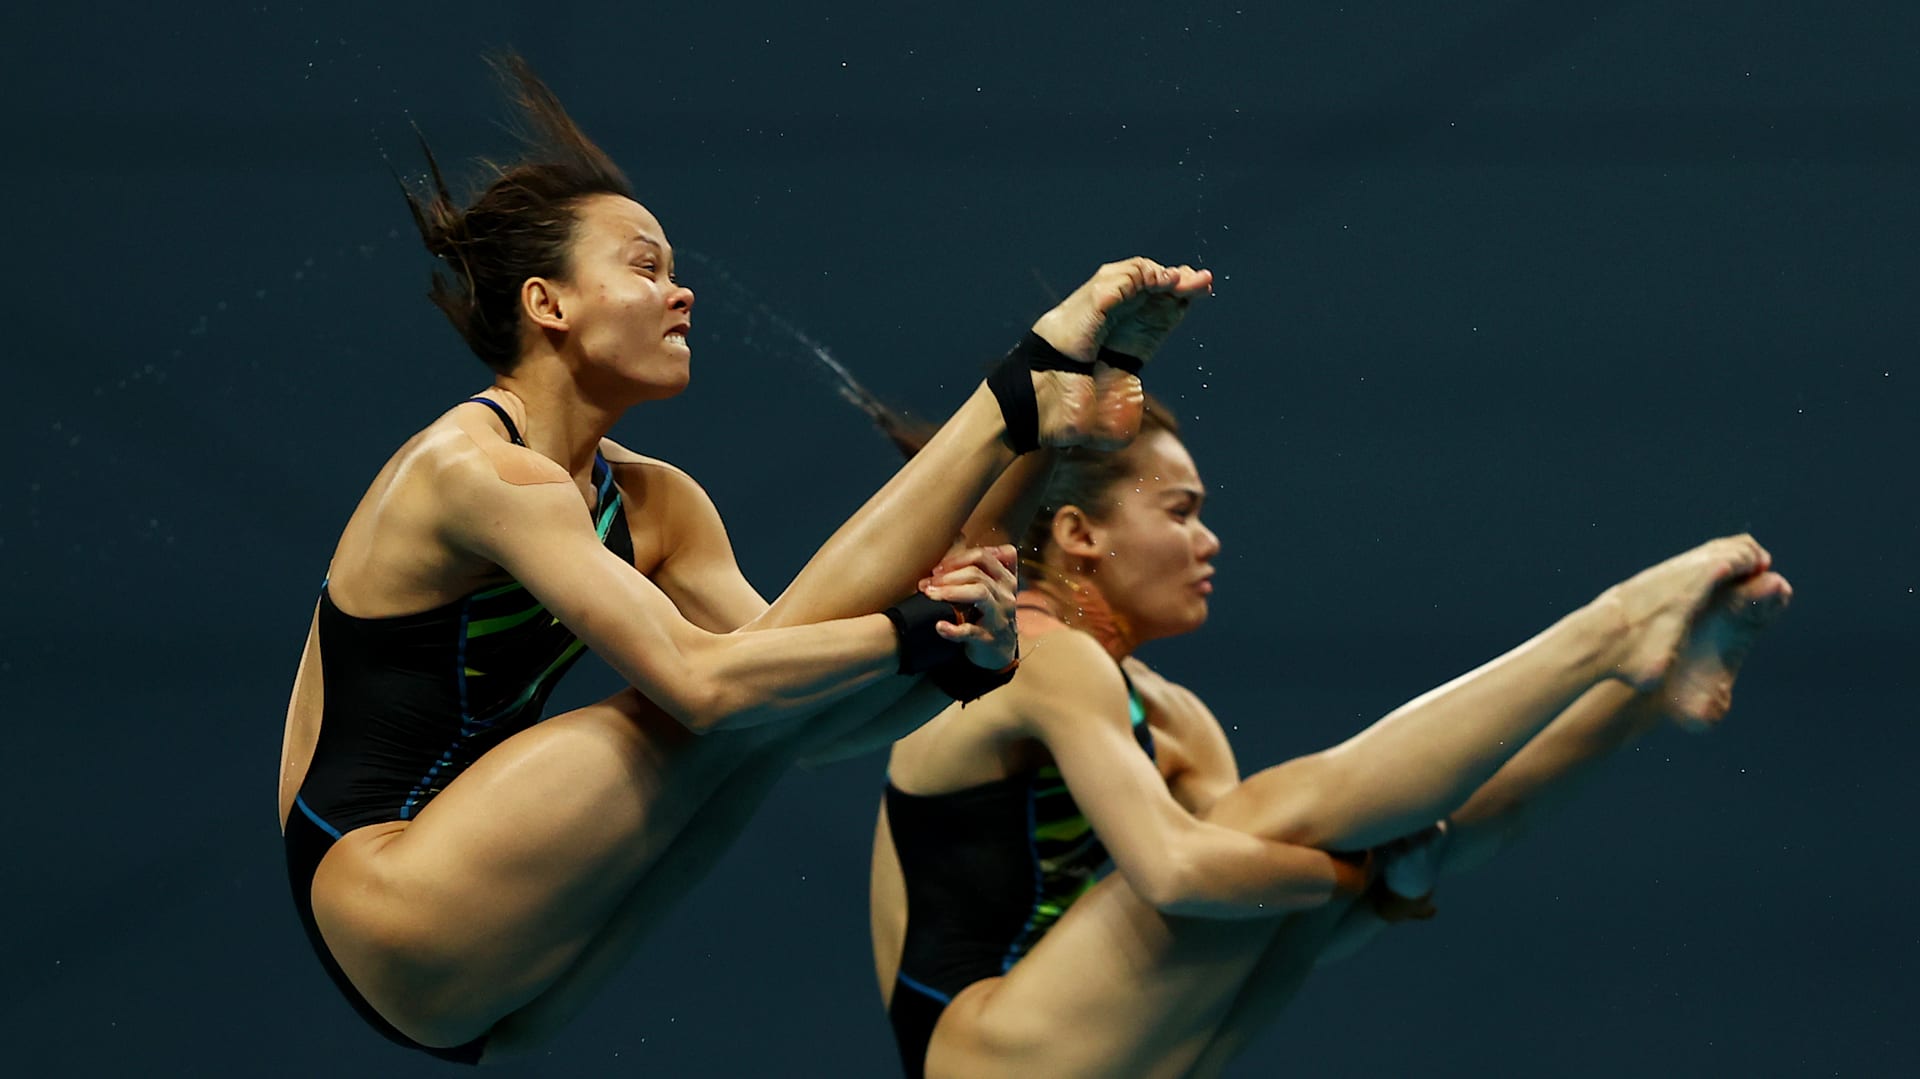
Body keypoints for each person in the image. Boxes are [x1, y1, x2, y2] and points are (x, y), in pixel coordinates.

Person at [275, 54, 1214, 1063]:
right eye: (645, 267)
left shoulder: (657, 502)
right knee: (716, 709)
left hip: (506, 970)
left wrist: (954, 659)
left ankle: (1036, 429)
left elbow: (803, 698)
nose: (681, 294)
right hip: (389, 891)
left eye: (674, 271)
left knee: (775, 715)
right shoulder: (474, 470)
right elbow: (702, 684)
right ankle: (1020, 400)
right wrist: (914, 626)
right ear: (547, 305)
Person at [865, 398, 1791, 1078]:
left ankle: (1642, 691)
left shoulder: (1172, 717)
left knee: (1341, 834)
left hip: (1110, 1051)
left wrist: (1367, 891)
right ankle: (1608, 629)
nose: (1210, 541)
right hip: (988, 1054)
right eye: (1181, 511)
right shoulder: (1033, 650)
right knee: (1269, 824)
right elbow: (1178, 875)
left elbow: (1257, 928)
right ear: (1078, 534)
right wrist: (1357, 881)